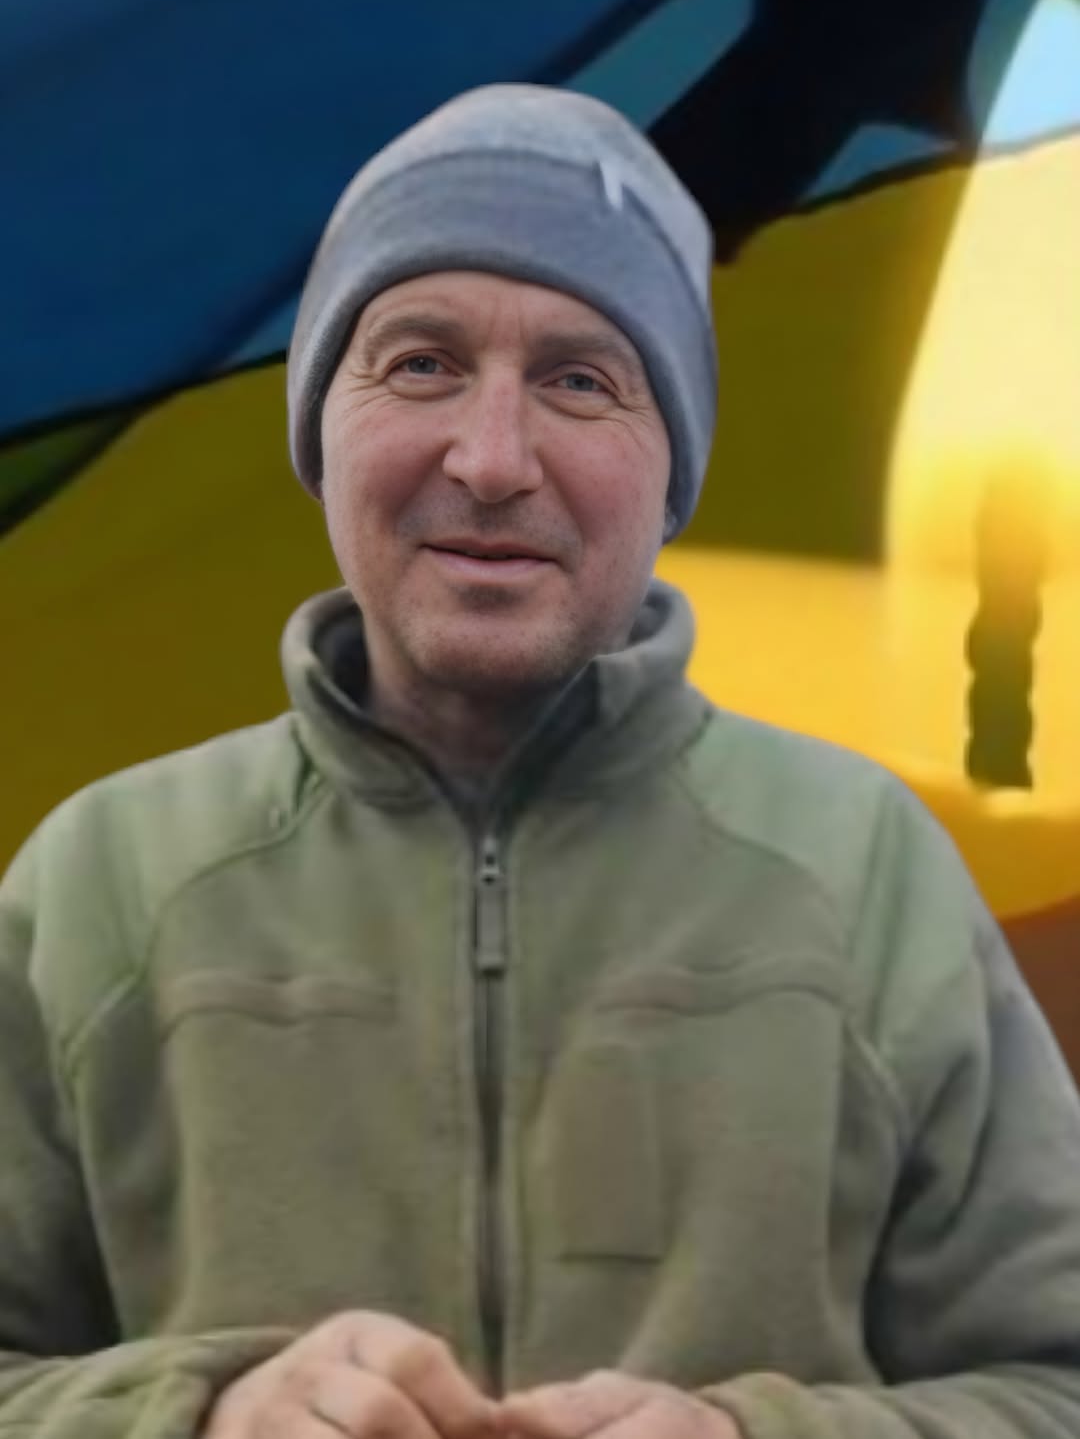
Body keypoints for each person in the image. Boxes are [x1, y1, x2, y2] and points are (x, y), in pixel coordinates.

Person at [1, 84, 1079, 1439]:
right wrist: (194, 1416)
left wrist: (755, 1437)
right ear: (320, 429)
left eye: (580, 380)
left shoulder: (866, 868)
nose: (493, 458)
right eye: (421, 364)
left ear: (671, 466)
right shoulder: (100, 879)